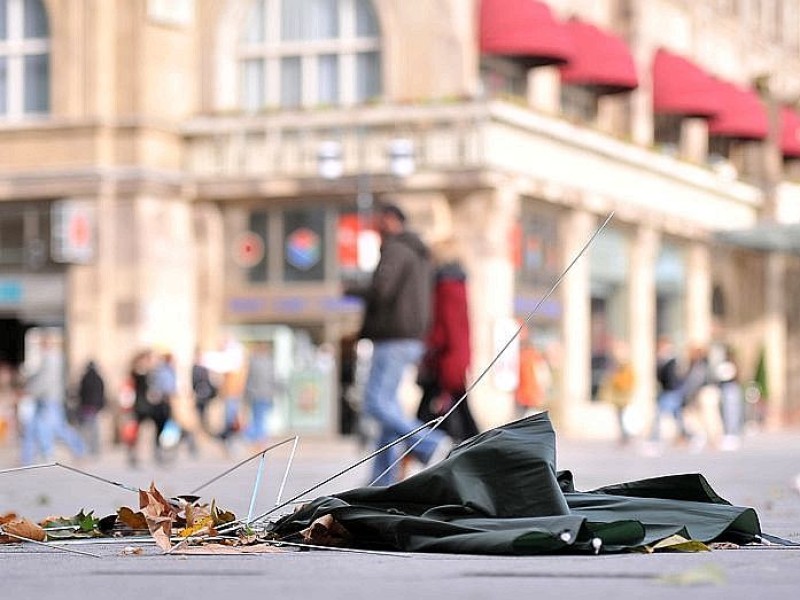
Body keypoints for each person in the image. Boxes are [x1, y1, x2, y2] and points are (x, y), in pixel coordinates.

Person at [345, 203, 451, 485]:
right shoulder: (419, 253)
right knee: (386, 409)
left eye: (378, 220)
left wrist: (350, 287)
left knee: (375, 402)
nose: (376, 227)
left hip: (392, 336)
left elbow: (382, 290)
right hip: (411, 337)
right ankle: (381, 481)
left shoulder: (396, 249)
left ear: (390, 220)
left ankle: (430, 442)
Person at [416, 238, 478, 443]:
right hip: (452, 358)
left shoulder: (446, 285)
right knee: (461, 415)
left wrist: (430, 347)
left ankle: (408, 460)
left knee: (425, 418)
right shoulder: (457, 283)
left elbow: (446, 326)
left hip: (445, 360)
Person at [20, 331, 85, 465]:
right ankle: (29, 457)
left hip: (49, 398)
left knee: (55, 427)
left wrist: (30, 391)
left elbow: (46, 380)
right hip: (43, 398)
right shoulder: (46, 357)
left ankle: (75, 450)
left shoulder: (53, 358)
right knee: (35, 427)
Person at [648, 336, 687, 447]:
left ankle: (655, 438)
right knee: (677, 417)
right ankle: (685, 436)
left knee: (660, 416)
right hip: (668, 391)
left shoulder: (672, 361)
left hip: (671, 392)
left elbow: (672, 377)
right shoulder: (662, 360)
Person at [597, 340, 635, 445]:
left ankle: (626, 435)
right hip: (618, 397)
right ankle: (624, 435)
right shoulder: (617, 365)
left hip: (623, 396)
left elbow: (625, 381)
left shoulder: (624, 366)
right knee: (620, 417)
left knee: (623, 417)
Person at [243, 340, 279, 445]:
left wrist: (247, 394)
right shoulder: (269, 362)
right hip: (264, 395)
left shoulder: (254, 362)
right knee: (261, 417)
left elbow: (249, 380)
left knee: (257, 417)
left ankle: (256, 438)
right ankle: (259, 438)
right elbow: (273, 379)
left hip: (256, 394)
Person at [76, 360, 106, 456]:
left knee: (85, 429)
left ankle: (84, 448)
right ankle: (93, 448)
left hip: (86, 406)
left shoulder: (85, 378)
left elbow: (81, 393)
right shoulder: (99, 378)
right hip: (95, 407)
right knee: (94, 429)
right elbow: (102, 394)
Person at [191, 348, 217, 435]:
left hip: (206, 394)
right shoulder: (195, 368)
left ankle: (204, 426)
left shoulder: (205, 368)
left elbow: (208, 381)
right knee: (199, 411)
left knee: (205, 410)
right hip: (199, 393)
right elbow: (194, 381)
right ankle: (200, 426)